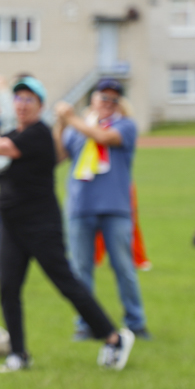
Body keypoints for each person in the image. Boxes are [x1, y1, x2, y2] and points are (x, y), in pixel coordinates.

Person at [0, 75, 134, 372]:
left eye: (29, 99)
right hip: (11, 224)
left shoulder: (38, 134)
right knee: (8, 288)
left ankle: (114, 337)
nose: (22, 104)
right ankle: (18, 354)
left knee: (66, 283)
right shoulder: (12, 133)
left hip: (40, 224)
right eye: (18, 98)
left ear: (40, 105)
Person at [55, 79, 149, 340]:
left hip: (115, 207)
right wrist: (61, 123)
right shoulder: (77, 128)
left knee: (123, 267)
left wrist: (72, 118)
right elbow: (57, 155)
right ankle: (85, 324)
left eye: (113, 99)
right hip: (80, 206)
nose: (107, 103)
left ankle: (136, 321)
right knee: (80, 271)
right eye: (102, 98)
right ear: (93, 100)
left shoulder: (125, 125)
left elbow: (103, 137)